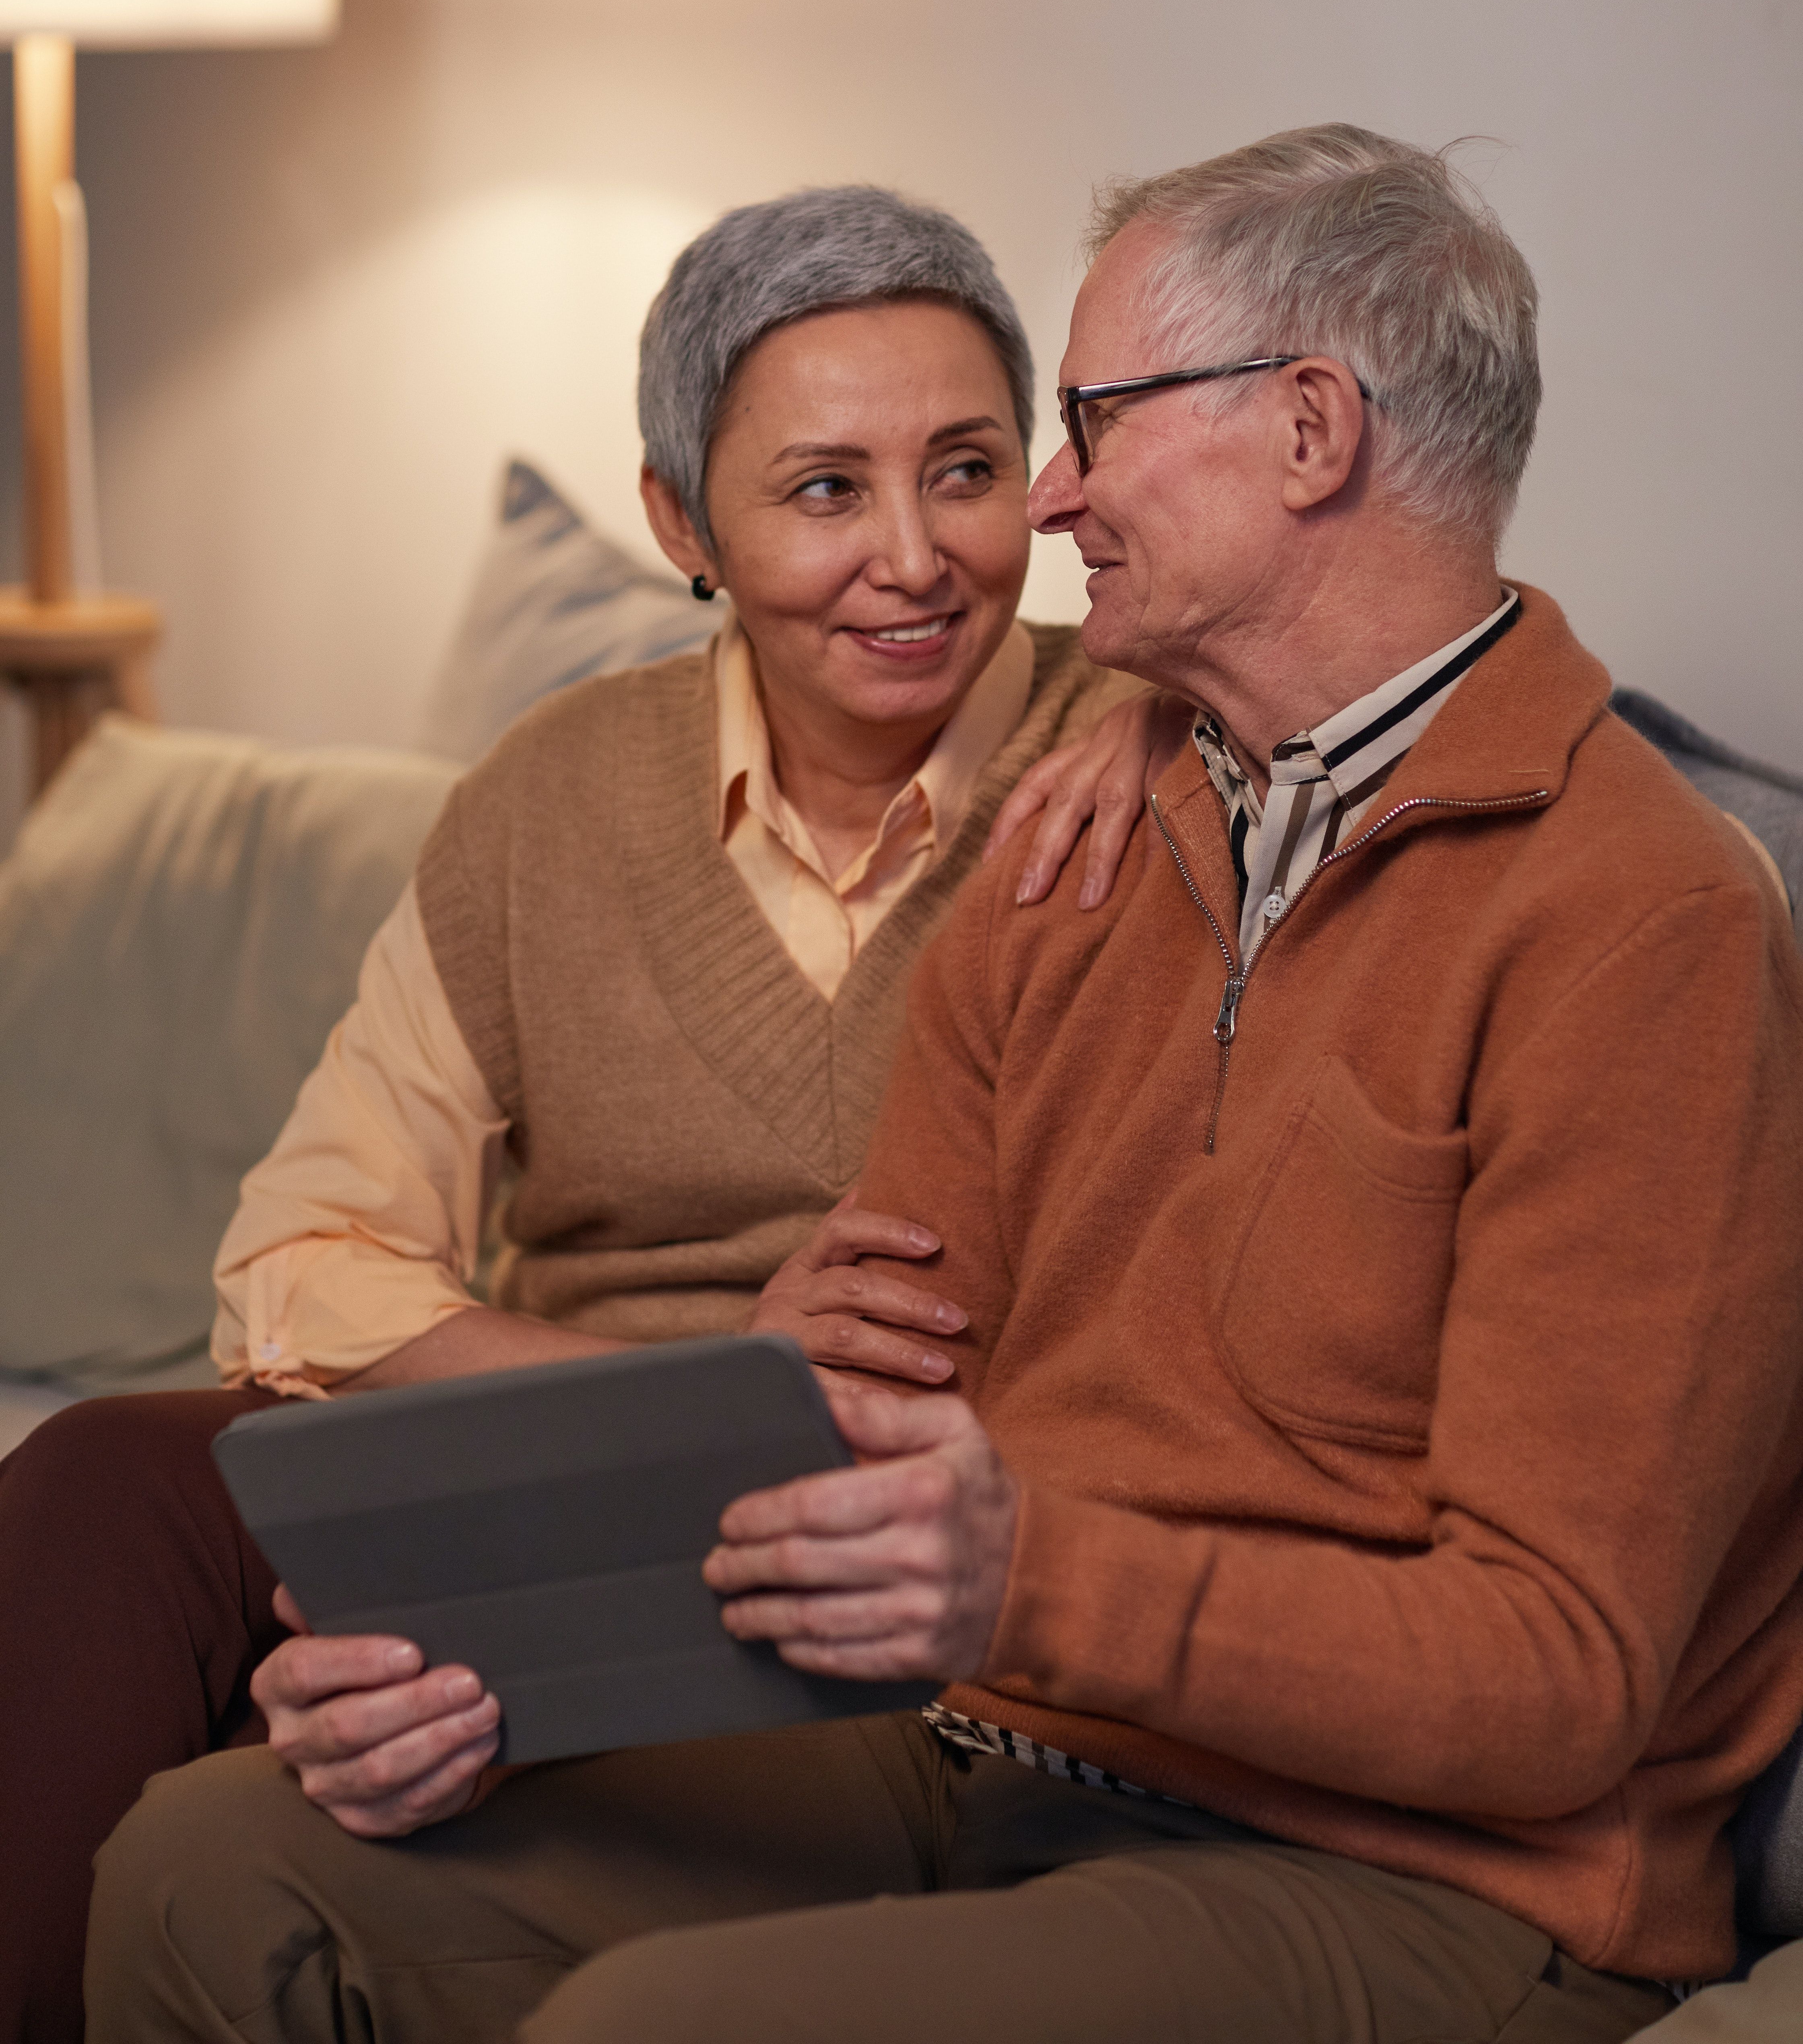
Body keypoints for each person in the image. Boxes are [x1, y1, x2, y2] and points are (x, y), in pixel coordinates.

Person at [85, 128, 1803, 2044]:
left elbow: (1562, 1676)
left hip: (1419, 1875)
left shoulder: (1639, 920)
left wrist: (1028, 1581)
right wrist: (481, 1663)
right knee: (211, 1871)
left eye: (1086, 426)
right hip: (989, 1759)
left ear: (1311, 434)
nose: (1049, 501)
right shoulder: (1076, 843)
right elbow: (865, 1435)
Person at [0, 184, 1172, 2044]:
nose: (913, 558)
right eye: (819, 490)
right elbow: (300, 1261)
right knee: (106, 1486)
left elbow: (1469, 643)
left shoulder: (1159, 765)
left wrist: (1160, 700)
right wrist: (677, 1396)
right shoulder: (556, 792)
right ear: (678, 524)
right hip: (565, 1461)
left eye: (961, 472)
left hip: (875, 1555)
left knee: (265, 1763)